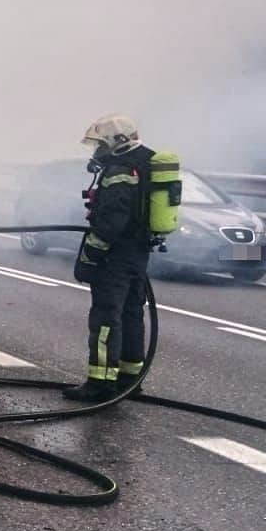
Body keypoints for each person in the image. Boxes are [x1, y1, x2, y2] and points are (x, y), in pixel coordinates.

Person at [64, 113, 156, 402]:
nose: (97, 151)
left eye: (101, 145)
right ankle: (130, 379)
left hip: (115, 256)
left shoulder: (119, 170)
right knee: (132, 314)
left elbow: (112, 222)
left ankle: (100, 383)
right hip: (137, 253)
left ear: (116, 142)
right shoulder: (145, 163)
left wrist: (91, 254)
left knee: (106, 318)